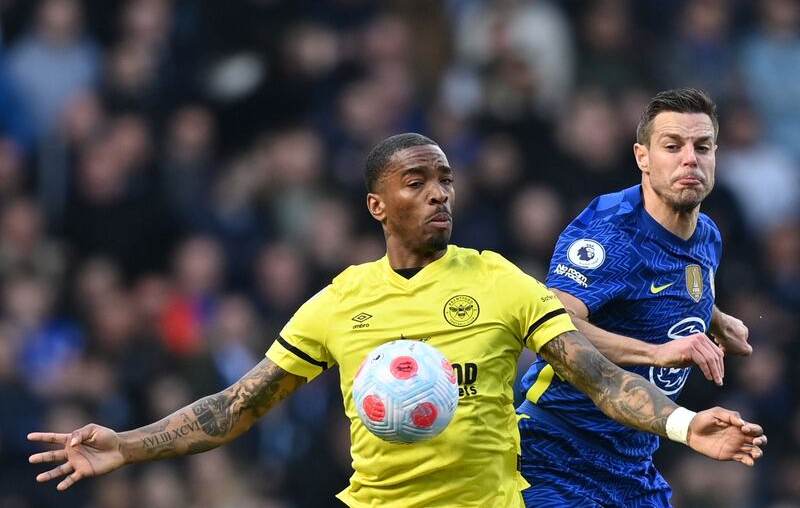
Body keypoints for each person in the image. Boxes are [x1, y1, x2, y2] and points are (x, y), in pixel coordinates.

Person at [28, 133, 766, 507]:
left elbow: (598, 376)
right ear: (378, 205)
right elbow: (235, 405)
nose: (439, 194)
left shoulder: (501, 280)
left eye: (445, 179)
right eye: (417, 182)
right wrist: (125, 445)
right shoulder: (339, 301)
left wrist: (682, 426)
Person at [517, 88, 753, 508]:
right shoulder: (611, 233)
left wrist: (716, 319)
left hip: (634, 464)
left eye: (702, 147)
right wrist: (654, 352)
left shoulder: (707, 236)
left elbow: (665, 284)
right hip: (555, 453)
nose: (689, 159)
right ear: (642, 157)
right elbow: (550, 323)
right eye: (672, 146)